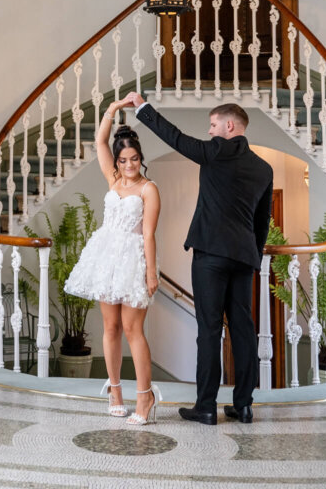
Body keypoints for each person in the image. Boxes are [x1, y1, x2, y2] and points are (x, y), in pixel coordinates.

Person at [123, 91, 273, 426]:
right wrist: (253, 256)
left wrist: (143, 109)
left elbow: (176, 138)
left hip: (211, 256)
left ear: (229, 126)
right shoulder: (263, 168)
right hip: (244, 258)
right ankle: (244, 405)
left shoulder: (217, 151)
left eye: (213, 124)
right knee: (243, 329)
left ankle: (206, 406)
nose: (209, 131)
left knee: (208, 330)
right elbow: (263, 221)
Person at [64, 98, 162, 425]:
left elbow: (148, 234)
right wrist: (116, 105)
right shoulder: (112, 179)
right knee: (111, 327)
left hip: (133, 261)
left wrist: (150, 272)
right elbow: (100, 140)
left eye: (135, 159)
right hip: (106, 259)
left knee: (134, 330)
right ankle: (115, 390)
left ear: (140, 159)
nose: (130, 164)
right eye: (124, 160)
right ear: (117, 162)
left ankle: (145, 398)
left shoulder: (149, 190)